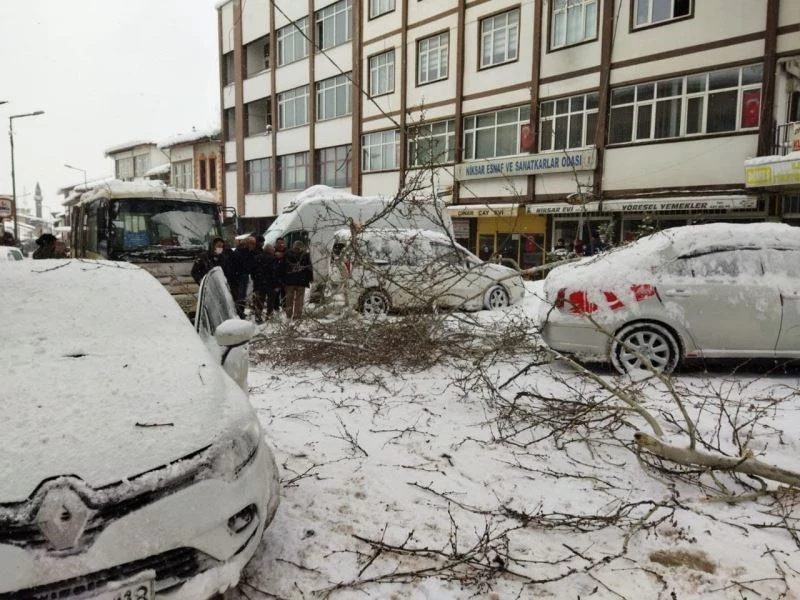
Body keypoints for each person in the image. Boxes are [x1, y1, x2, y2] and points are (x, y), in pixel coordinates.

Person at [279, 240, 313, 320]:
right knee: (299, 300)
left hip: (289, 280)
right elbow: (309, 268)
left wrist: (282, 278)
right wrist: (310, 278)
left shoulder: (287, 254)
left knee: (289, 299)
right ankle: (297, 315)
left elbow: (282, 267)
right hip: (301, 280)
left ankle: (289, 314)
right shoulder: (305, 255)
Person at [251, 244, 280, 323]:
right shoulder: (273, 259)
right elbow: (275, 273)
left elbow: (253, 271)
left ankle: (258, 316)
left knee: (259, 301)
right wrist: (277, 284)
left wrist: (256, 280)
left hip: (259, 283)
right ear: (271, 251)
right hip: (270, 283)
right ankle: (269, 316)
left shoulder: (256, 258)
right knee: (270, 301)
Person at [230, 236, 257, 319]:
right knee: (241, 295)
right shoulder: (243, 252)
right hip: (240, 275)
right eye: (252, 244)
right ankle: (239, 312)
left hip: (243, 275)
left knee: (242, 295)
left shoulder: (246, 252)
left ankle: (241, 311)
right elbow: (242, 264)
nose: (253, 246)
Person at [272, 237, 287, 313]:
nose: (281, 245)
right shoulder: (273, 252)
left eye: (282, 243)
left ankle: (285, 308)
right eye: (279, 243)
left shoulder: (287, 252)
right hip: (275, 277)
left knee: (284, 294)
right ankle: (276, 308)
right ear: (276, 244)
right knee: (276, 294)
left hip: (284, 276)